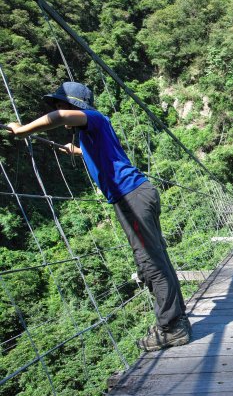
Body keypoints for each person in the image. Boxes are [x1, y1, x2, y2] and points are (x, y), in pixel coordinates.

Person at [5, 82, 190, 351]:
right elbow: (104, 154)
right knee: (156, 257)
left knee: (149, 263)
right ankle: (177, 318)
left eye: (61, 104)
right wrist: (78, 150)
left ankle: (171, 327)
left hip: (131, 196)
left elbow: (60, 118)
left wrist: (22, 130)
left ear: (75, 106)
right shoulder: (91, 132)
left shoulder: (94, 117)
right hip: (136, 194)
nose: (57, 109)